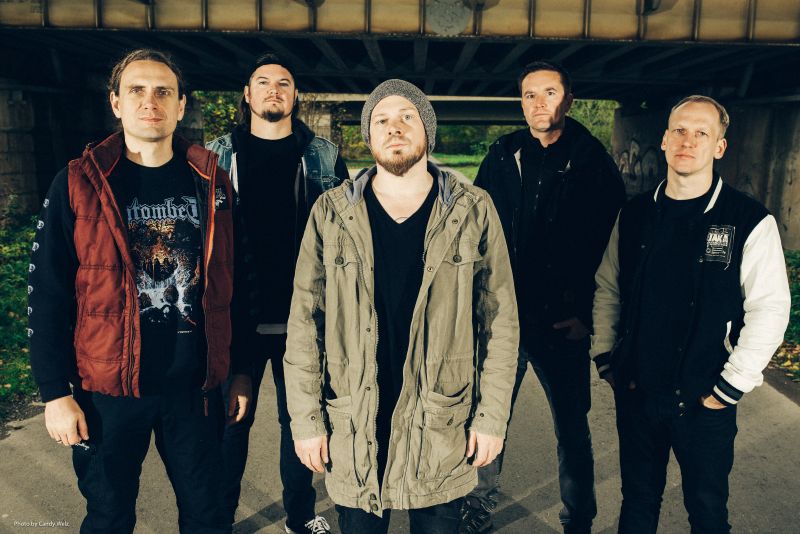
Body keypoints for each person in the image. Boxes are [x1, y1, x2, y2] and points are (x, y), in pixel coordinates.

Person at [27, 48, 251, 534]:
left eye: (163, 92)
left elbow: (236, 283)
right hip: (108, 389)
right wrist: (54, 392)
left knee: (209, 515)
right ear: (115, 102)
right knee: (108, 516)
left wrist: (241, 371)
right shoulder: (78, 182)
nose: (151, 101)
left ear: (181, 105)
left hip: (194, 388)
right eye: (137, 90)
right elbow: (47, 292)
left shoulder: (212, 183)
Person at [284, 79, 519, 534]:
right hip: (355, 428)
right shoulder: (331, 213)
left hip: (441, 427)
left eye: (407, 117)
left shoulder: (472, 209)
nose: (394, 128)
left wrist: (492, 419)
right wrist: (307, 421)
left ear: (428, 131)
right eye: (382, 120)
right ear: (369, 137)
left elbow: (501, 322)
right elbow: (304, 324)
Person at [591, 95, 791, 533]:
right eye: (679, 130)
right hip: (638, 392)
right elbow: (608, 286)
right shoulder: (635, 214)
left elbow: (770, 307)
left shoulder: (748, 219)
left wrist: (729, 387)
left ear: (719, 147)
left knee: (707, 512)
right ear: (664, 140)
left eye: (702, 133)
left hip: (705, 398)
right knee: (637, 503)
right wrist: (605, 354)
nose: (689, 141)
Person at [463, 61, 625, 534]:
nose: (539, 103)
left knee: (572, 429)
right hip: (502, 320)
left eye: (549, 93)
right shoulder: (503, 154)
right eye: (530, 95)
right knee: (488, 420)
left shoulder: (591, 160)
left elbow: (613, 246)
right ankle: (477, 508)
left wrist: (586, 316)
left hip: (561, 323)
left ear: (568, 100)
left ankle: (578, 518)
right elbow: (475, 229)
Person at [206, 53, 348, 534]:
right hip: (236, 316)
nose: (273, 89)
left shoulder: (323, 156)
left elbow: (348, 234)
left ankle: (300, 518)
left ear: (295, 95)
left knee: (300, 423)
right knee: (231, 425)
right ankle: (219, 520)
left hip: (303, 317)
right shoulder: (215, 157)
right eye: (263, 82)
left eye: (283, 83)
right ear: (247, 95)